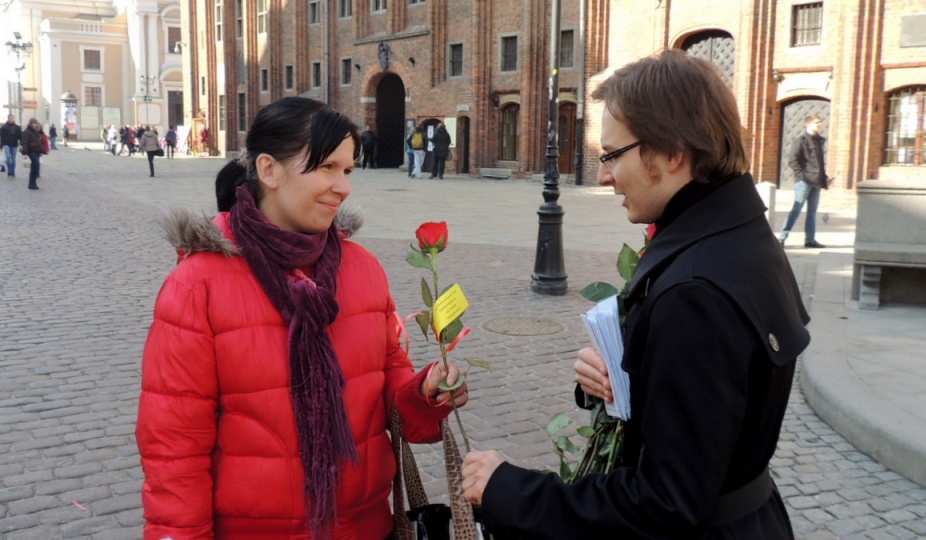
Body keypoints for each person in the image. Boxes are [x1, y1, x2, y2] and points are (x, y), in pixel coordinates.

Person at [462, 50, 809, 540]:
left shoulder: (694, 292)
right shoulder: (737, 235)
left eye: (611, 155)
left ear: (671, 152)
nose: (604, 175)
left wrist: (509, 491)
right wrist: (624, 373)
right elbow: (715, 401)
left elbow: (665, 503)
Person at [136, 96, 469, 539]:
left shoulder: (362, 268)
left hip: (365, 528)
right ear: (269, 170)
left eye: (348, 170)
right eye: (327, 168)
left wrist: (424, 393)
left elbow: (388, 387)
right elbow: (173, 450)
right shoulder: (199, 284)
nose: (344, 186)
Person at [779, 115, 829, 248]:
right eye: (816, 123)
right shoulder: (800, 141)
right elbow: (792, 161)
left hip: (816, 181)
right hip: (804, 181)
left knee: (812, 212)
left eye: (820, 122)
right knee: (796, 209)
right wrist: (802, 176)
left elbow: (819, 163)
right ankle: (782, 237)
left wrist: (824, 178)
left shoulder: (820, 141)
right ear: (808, 124)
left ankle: (810, 240)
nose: (820, 125)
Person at [20, 118, 44, 190]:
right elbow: (24, 143)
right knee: (35, 165)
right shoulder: (27, 132)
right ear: (31, 124)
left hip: (37, 151)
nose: (35, 124)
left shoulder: (36, 131)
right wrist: (25, 153)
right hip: (31, 151)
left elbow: (39, 142)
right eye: (34, 123)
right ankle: (32, 183)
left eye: (36, 123)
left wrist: (40, 152)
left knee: (35, 167)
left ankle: (32, 183)